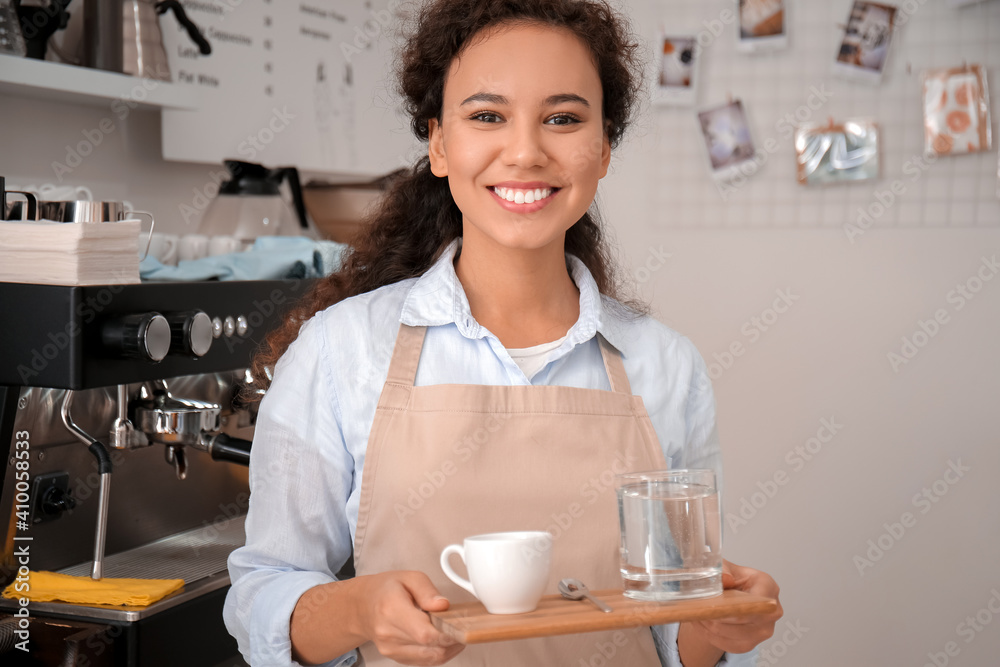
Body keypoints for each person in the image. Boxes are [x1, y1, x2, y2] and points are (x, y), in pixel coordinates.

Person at [223, 0, 783, 665]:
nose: (525, 151)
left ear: (602, 148)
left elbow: (672, 620)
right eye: (487, 116)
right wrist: (357, 608)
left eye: (564, 119)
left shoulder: (666, 366)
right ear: (438, 143)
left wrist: (719, 629)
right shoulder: (339, 353)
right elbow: (265, 591)